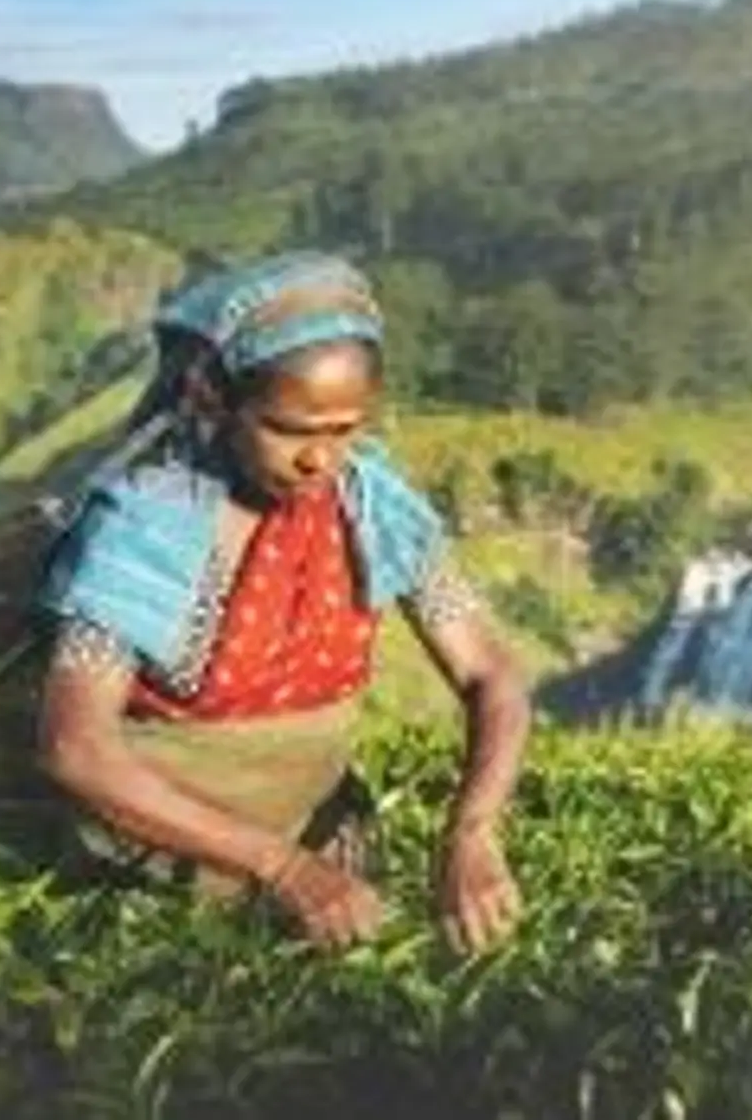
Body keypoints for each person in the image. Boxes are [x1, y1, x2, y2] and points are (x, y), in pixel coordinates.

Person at [30, 251, 532, 953]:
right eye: (289, 429)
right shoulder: (146, 524)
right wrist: (280, 866)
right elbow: (75, 749)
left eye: (344, 429)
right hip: (153, 882)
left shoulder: (371, 502)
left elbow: (491, 675)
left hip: (329, 866)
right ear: (216, 399)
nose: (319, 460)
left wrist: (473, 832)